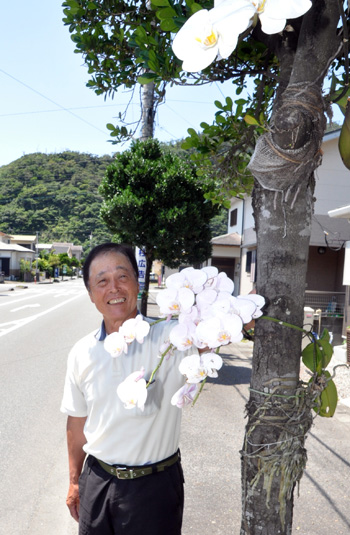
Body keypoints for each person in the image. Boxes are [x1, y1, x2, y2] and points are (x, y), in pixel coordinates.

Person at [60, 243, 194, 535]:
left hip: (154, 488)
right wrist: (74, 480)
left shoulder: (170, 337)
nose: (114, 288)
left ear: (137, 283)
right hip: (97, 481)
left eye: (122, 276)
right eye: (102, 281)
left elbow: (206, 342)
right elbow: (77, 419)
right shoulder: (82, 352)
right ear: (91, 293)